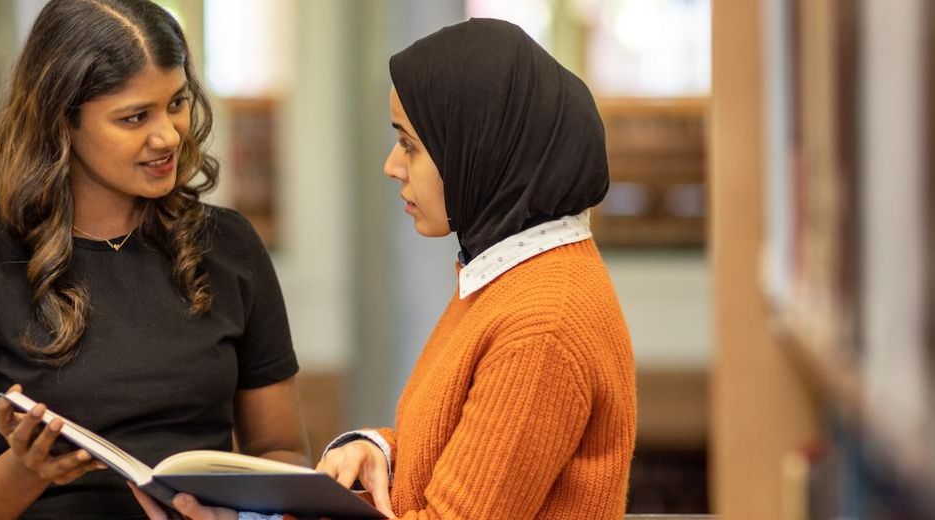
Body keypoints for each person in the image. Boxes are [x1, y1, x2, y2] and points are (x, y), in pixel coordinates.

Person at [132, 18, 638, 520]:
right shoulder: (511, 278)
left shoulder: (541, 324)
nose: (392, 165)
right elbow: (469, 451)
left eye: (411, 145)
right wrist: (380, 449)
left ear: (478, 151)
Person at [0, 1, 308, 518]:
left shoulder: (228, 246)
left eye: (178, 102)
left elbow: (280, 453)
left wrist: (239, 515)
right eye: (134, 117)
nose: (168, 136)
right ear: (60, 121)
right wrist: (26, 470)